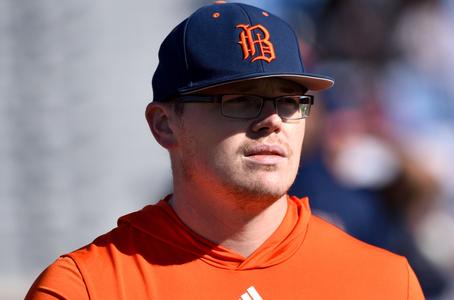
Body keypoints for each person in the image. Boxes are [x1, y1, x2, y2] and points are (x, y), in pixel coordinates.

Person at [26, 2, 424, 299]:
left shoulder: (385, 283)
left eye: (288, 101)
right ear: (165, 125)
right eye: (240, 100)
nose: (273, 120)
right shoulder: (86, 287)